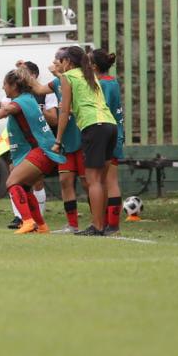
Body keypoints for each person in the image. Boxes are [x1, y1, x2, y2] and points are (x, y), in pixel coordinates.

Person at [0, 64, 63, 234]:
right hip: (45, 151)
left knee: (12, 183)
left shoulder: (20, 101)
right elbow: (6, 107)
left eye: (4, 84)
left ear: (13, 86)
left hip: (40, 151)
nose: (2, 87)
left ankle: (27, 221)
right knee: (25, 187)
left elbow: (9, 109)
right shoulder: (28, 98)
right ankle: (41, 225)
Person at [49, 45, 117, 236]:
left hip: (93, 126)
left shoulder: (68, 77)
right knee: (101, 181)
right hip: (110, 125)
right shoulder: (91, 75)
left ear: (68, 62)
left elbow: (63, 111)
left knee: (93, 180)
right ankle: (101, 225)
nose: (58, 64)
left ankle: (96, 226)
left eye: (60, 61)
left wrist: (58, 140)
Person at [42, 57, 85, 233]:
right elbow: (38, 89)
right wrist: (26, 75)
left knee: (88, 183)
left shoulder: (80, 79)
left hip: (82, 138)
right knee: (65, 181)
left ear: (68, 62)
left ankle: (100, 223)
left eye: (58, 59)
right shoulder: (56, 81)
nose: (53, 61)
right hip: (66, 142)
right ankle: (72, 225)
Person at [91, 49, 126, 235]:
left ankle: (112, 226)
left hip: (107, 133)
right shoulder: (112, 81)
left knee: (109, 181)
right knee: (106, 180)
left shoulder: (102, 85)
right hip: (116, 132)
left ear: (94, 66)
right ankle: (107, 224)